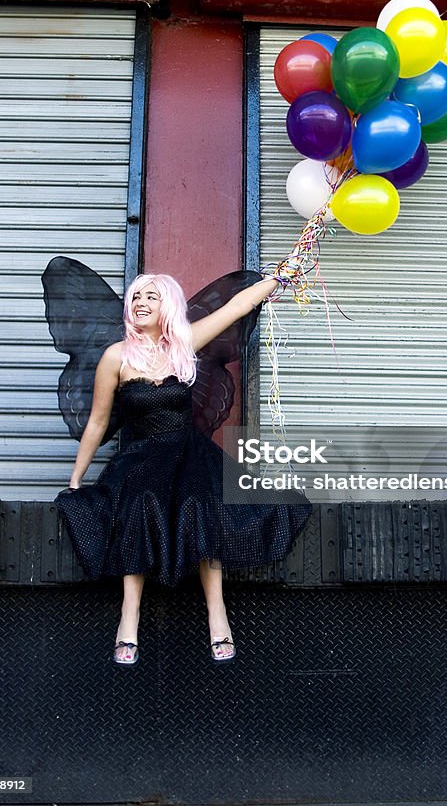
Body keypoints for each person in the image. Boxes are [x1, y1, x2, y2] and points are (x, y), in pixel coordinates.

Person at [54, 270, 311, 666]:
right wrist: (76, 479)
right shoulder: (116, 357)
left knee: (201, 504)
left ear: (167, 305)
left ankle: (217, 614)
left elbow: (238, 306)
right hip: (140, 458)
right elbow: (98, 422)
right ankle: (129, 617)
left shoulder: (184, 344)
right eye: (136, 296)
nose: (140, 303)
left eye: (150, 297)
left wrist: (280, 276)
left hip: (190, 453)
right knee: (138, 506)